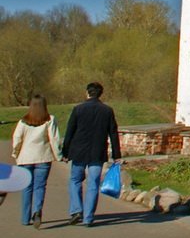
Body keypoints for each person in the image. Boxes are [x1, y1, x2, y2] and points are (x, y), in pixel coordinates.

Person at [61, 82, 121, 227]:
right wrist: (116, 154)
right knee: (93, 184)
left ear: (87, 92)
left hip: (78, 151)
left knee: (75, 180)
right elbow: (113, 133)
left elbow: (70, 132)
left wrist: (65, 152)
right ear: (100, 94)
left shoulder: (78, 109)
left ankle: (76, 210)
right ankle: (88, 217)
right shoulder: (107, 111)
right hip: (97, 152)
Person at [11, 94, 61, 228]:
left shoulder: (23, 121)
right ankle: (37, 211)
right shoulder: (50, 120)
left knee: (27, 188)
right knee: (39, 186)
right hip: (43, 157)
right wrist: (59, 155)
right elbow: (54, 139)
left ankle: (25, 217)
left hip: (25, 158)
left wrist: (15, 154)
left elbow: (17, 140)